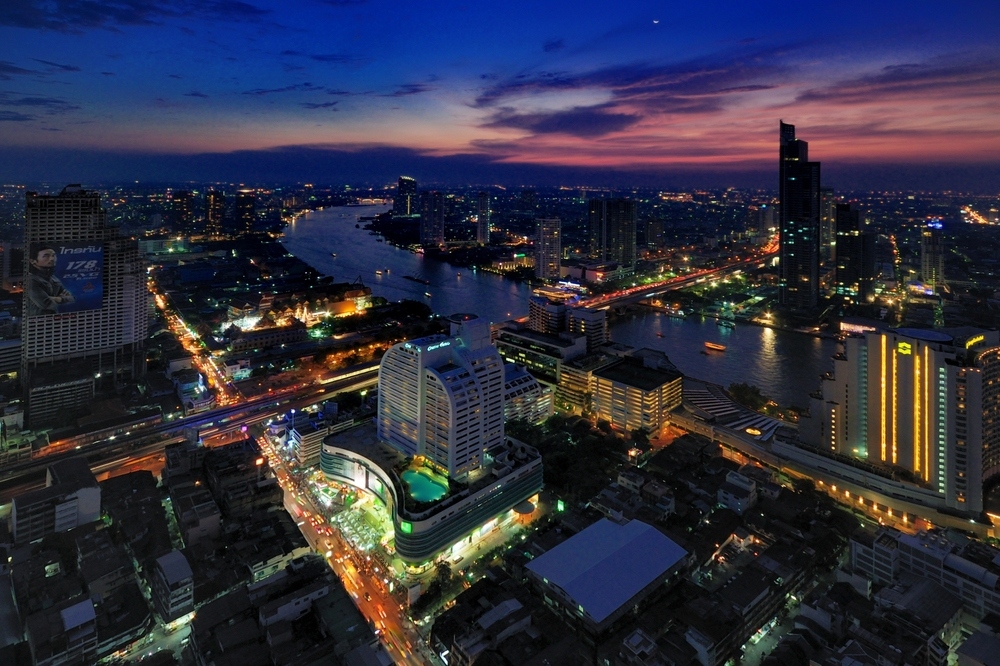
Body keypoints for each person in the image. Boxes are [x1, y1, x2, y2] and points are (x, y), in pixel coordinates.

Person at [25, 243, 75, 316]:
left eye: (53, 255)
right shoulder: (31, 280)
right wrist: (61, 299)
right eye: (46, 256)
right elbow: (46, 303)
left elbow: (72, 298)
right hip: (37, 321)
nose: (52, 259)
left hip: (54, 319)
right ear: (33, 261)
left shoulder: (53, 278)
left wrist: (56, 299)